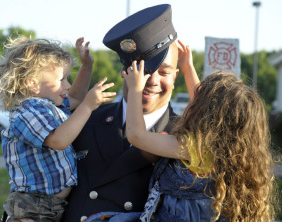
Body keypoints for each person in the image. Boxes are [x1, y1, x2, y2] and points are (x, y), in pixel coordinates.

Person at [61, 4, 199, 222]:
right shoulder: (85, 119)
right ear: (125, 71)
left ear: (175, 76)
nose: (152, 81)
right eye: (144, 69)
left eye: (164, 72)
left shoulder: (186, 136)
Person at [114, 67, 276, 221]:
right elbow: (208, 102)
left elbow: (136, 135)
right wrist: (187, 67)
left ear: (203, 111)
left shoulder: (191, 147)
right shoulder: (235, 157)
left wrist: (135, 88)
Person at [0, 35, 116, 222]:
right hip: (33, 206)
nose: (68, 85)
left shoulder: (49, 106)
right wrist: (88, 106)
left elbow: (76, 98)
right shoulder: (27, 112)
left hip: (51, 205)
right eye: (61, 79)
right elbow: (58, 140)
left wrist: (87, 66)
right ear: (32, 83)